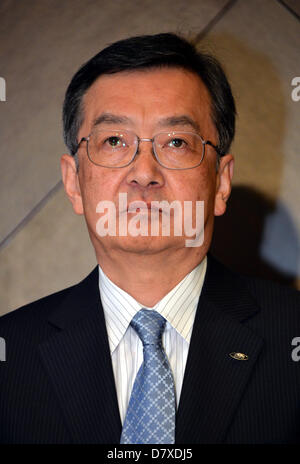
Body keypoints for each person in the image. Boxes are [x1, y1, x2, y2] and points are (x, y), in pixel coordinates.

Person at [0, 32, 299, 445]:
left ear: (221, 182)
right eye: (114, 141)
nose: (143, 173)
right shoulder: (9, 356)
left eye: (175, 142)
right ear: (73, 182)